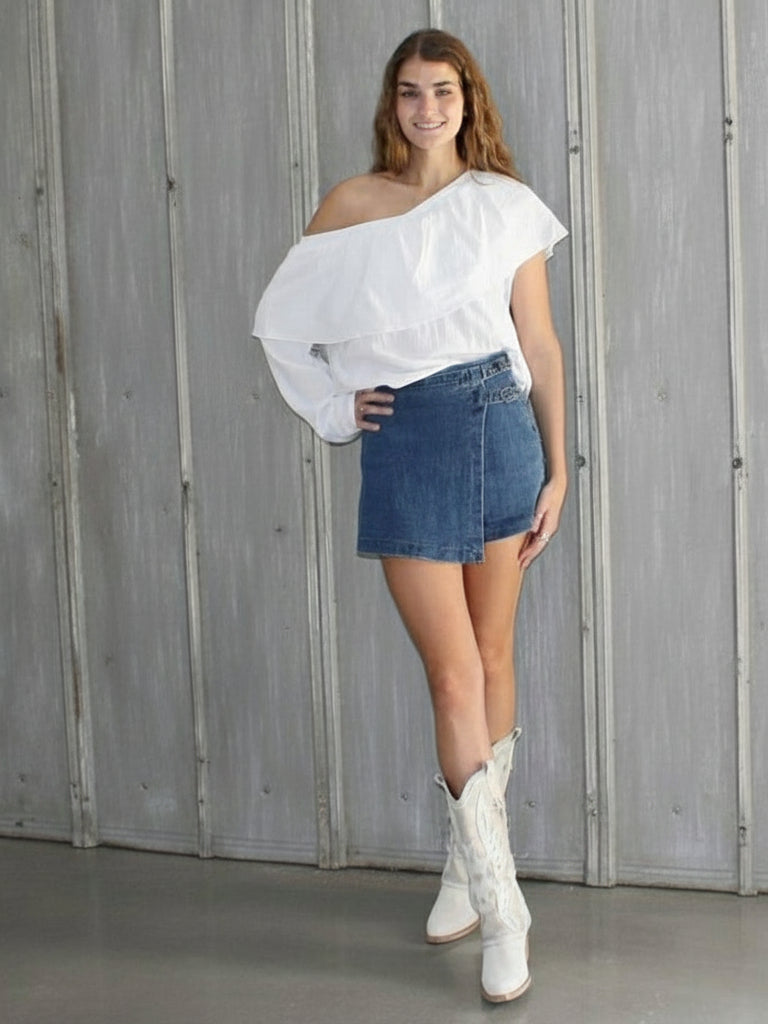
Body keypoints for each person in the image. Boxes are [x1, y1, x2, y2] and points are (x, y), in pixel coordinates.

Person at [252, 28, 568, 1003]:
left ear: (469, 100)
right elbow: (283, 326)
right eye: (409, 91)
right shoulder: (351, 207)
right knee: (450, 672)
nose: (427, 107)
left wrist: (561, 469)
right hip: (408, 442)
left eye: (444, 90)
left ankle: (462, 867)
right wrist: (337, 404)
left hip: (499, 426)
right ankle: (503, 905)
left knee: (493, 655)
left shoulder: (504, 206)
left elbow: (540, 344)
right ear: (390, 104)